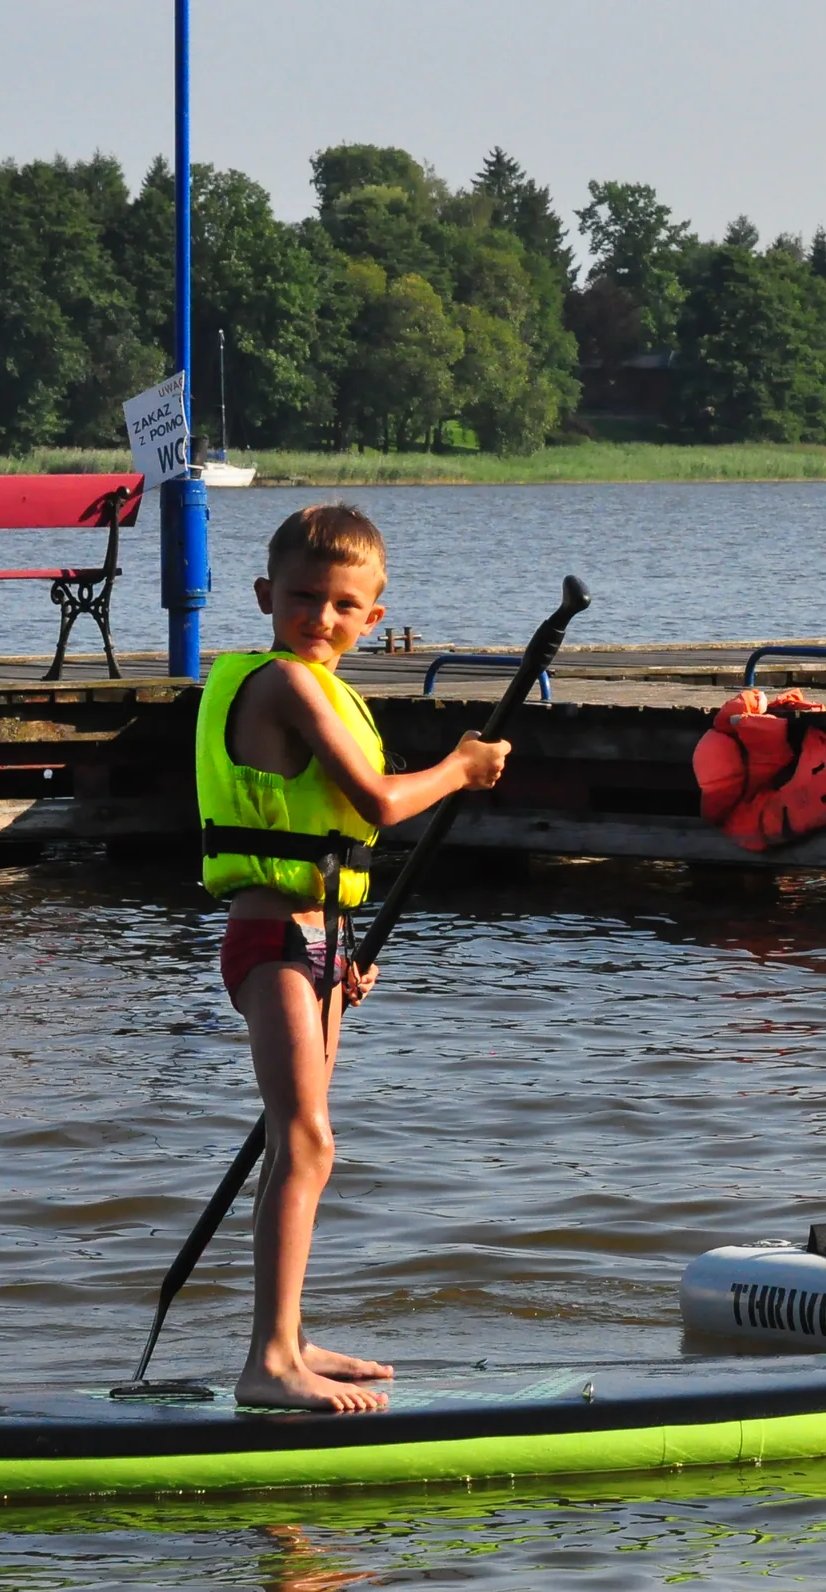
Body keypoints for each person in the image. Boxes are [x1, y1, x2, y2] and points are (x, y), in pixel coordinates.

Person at [198, 505, 510, 1410]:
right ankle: (268, 1364)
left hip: (321, 945)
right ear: (266, 596)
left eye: (343, 606)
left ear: (373, 618)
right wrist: (460, 768)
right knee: (304, 1139)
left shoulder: (330, 687)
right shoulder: (284, 686)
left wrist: (343, 956)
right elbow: (375, 803)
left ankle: (290, 1337)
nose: (321, 619)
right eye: (302, 599)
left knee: (304, 1149)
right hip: (271, 942)